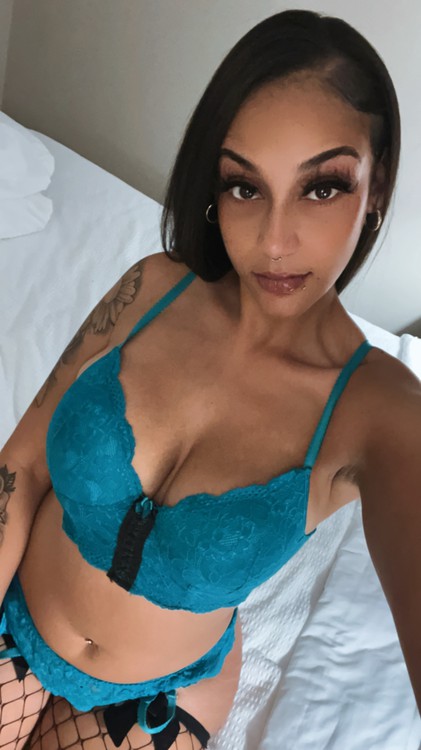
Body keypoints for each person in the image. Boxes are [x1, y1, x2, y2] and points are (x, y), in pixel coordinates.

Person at [1, 8, 420, 750]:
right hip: (18, 614)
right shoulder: (151, 286)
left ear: (376, 185)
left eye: (322, 187)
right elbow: (24, 463)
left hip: (159, 692)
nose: (274, 240)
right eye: (244, 186)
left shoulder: (381, 414)